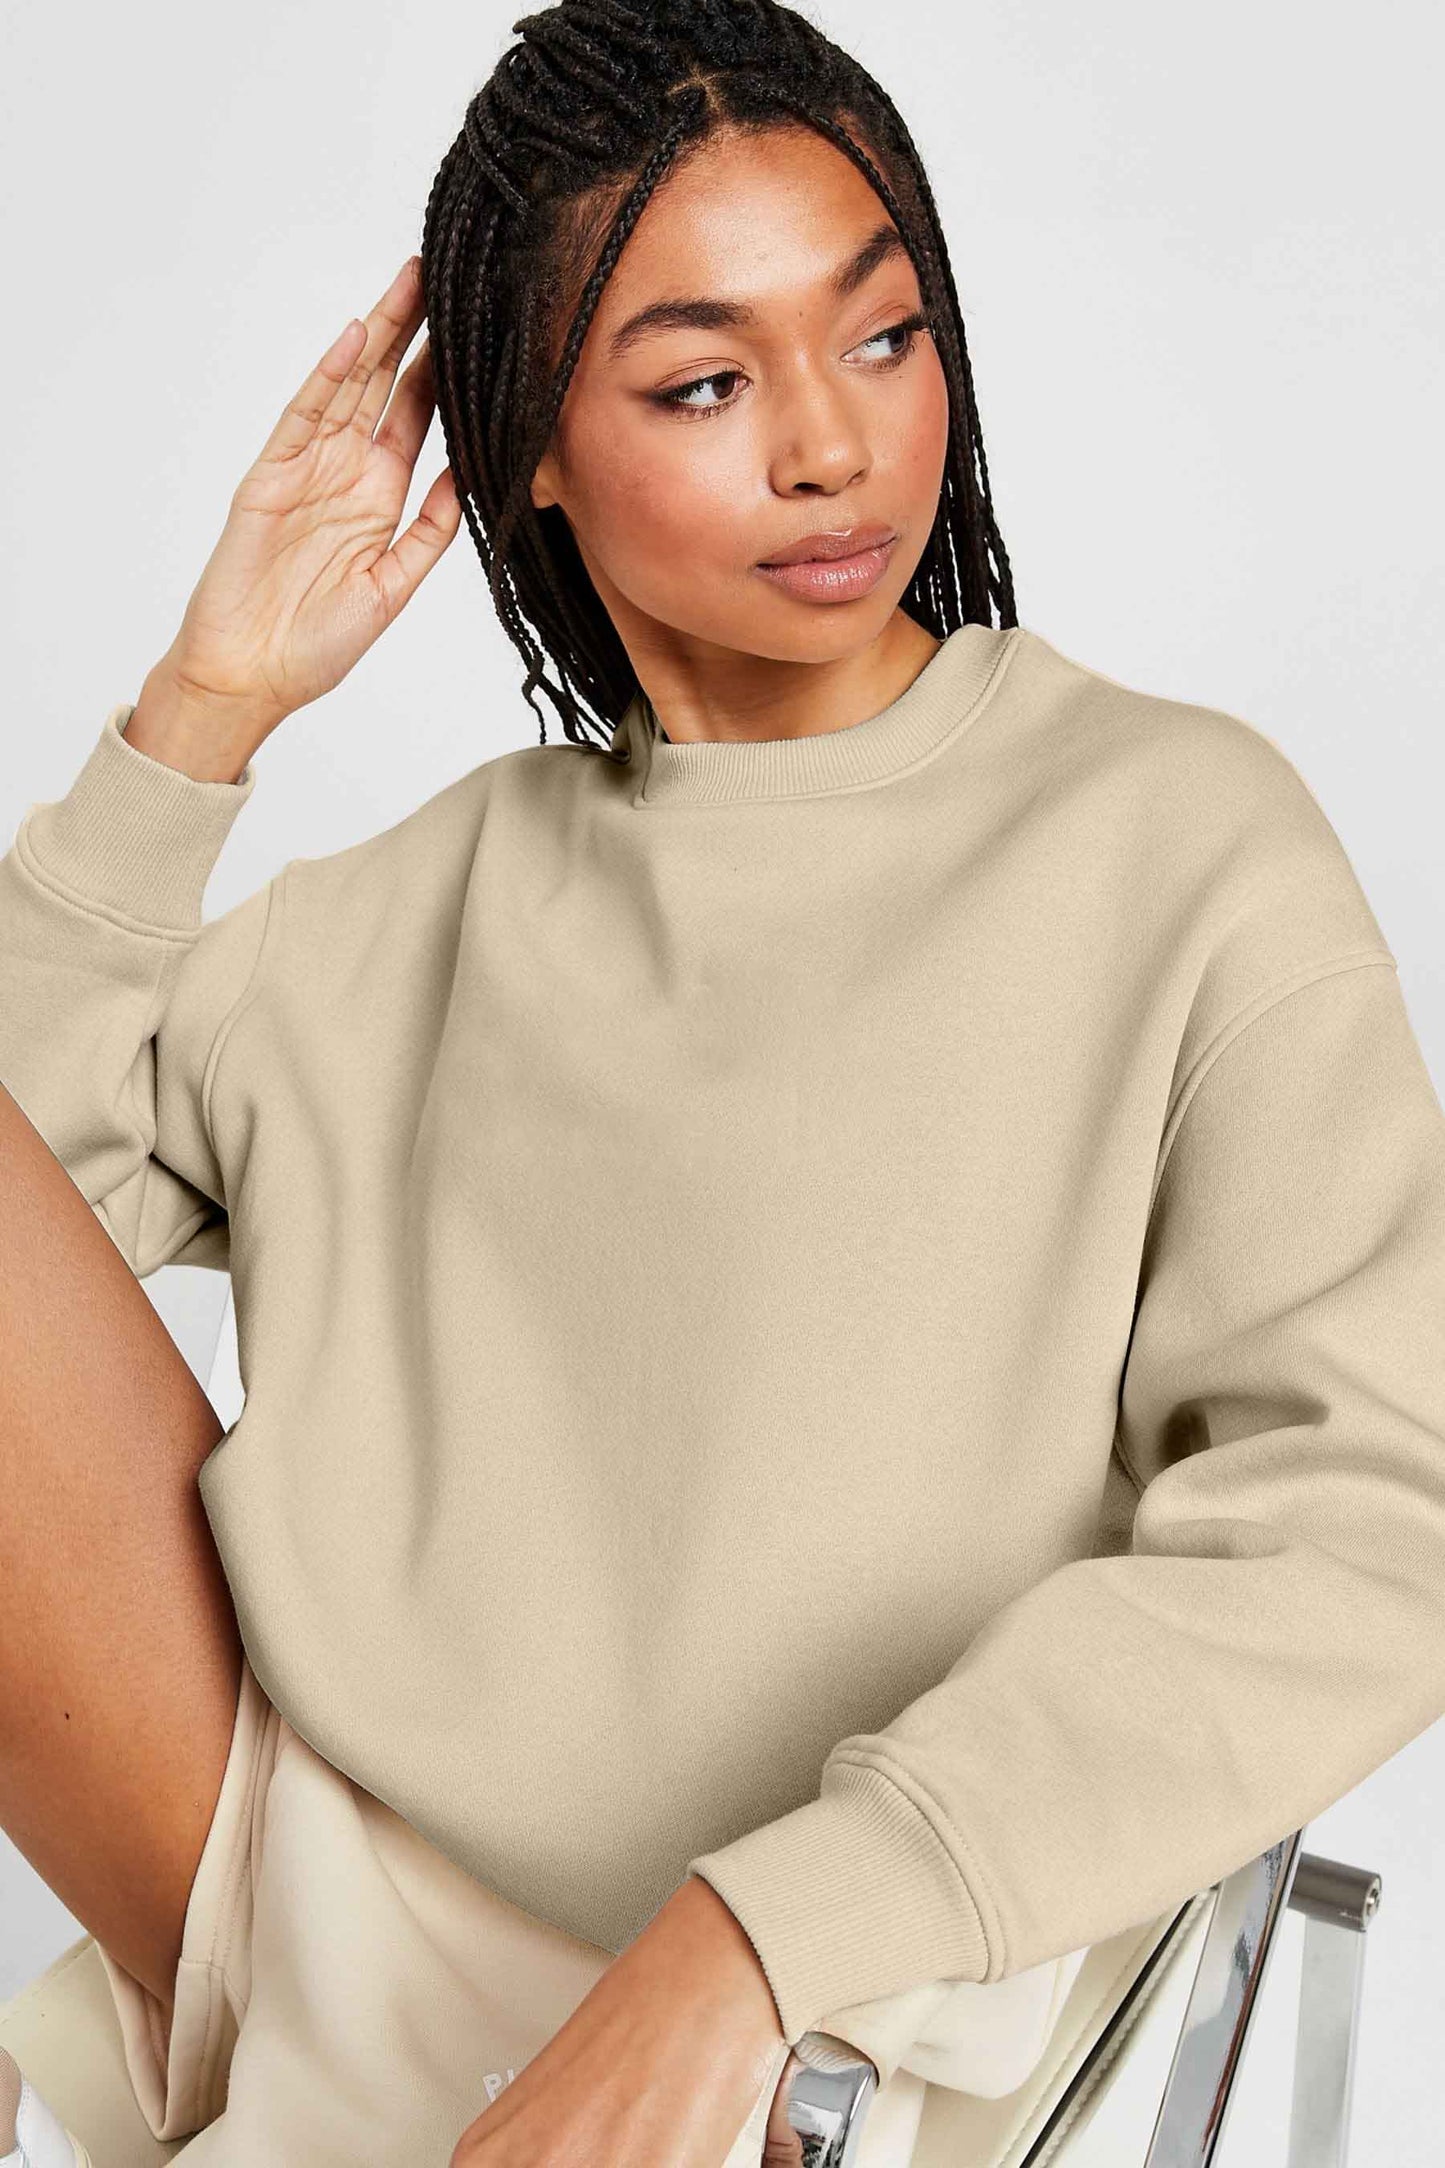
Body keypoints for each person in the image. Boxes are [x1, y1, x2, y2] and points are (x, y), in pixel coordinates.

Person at [4, 0, 1445, 2162]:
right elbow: (34, 1221)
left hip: (826, 2032)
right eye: (705, 382)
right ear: (526, 445)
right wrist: (202, 711)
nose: (833, 445)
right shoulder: (408, 911)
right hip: (294, 1899)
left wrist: (764, 1937)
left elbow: (1372, 1524)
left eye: (883, 336)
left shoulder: (1176, 843)